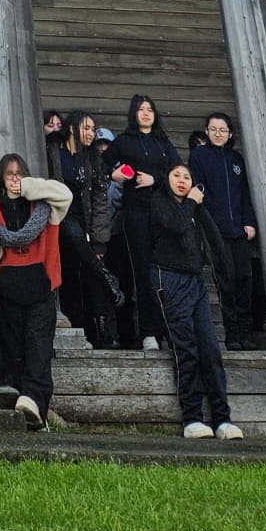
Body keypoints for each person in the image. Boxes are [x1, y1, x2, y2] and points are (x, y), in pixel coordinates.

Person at [0, 153, 72, 430]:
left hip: (42, 286)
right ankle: (32, 412)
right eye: (9, 174)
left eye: (19, 173)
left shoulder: (45, 206)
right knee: (15, 350)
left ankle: (34, 404)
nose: (15, 179)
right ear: (1, 178)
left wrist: (29, 187)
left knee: (39, 346)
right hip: (9, 288)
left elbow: (66, 195)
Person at [151, 164, 243, 441]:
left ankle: (222, 418)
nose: (182, 181)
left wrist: (198, 207)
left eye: (187, 177)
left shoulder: (194, 207)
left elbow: (213, 237)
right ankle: (192, 418)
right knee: (186, 349)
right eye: (176, 175)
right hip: (168, 277)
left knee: (210, 350)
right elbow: (176, 226)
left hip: (195, 281)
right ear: (167, 179)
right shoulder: (160, 202)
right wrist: (191, 202)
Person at [109, 94, 181, 351]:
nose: (146, 113)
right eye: (141, 109)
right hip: (136, 214)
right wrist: (114, 174)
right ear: (134, 113)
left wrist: (155, 180)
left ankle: (171, 330)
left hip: (163, 215)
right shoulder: (124, 141)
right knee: (142, 272)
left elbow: (179, 173)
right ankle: (149, 332)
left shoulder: (164, 143)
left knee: (166, 271)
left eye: (150, 109)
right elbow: (101, 165)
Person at [189, 111, 258, 350]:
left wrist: (249, 221)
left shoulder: (236, 159)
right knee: (226, 278)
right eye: (213, 129)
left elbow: (245, 194)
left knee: (244, 279)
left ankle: (246, 332)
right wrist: (210, 223)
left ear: (229, 134)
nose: (218, 134)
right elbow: (200, 190)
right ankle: (233, 334)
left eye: (223, 130)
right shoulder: (199, 156)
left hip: (239, 229)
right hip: (216, 230)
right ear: (207, 131)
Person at [57, 110, 123, 347]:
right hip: (59, 221)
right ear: (72, 128)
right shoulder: (54, 152)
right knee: (70, 277)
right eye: (86, 128)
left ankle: (104, 336)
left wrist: (100, 242)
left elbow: (100, 201)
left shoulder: (93, 158)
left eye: (93, 129)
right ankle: (105, 275)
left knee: (86, 279)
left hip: (84, 227)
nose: (90, 133)